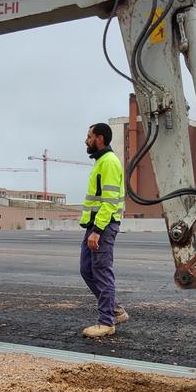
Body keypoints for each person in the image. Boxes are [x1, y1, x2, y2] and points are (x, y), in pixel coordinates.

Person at [79, 122, 128, 337]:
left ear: (100, 138)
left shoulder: (109, 162)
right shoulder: (101, 162)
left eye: (89, 137)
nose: (86, 140)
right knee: (87, 269)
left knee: (101, 272)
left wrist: (98, 230)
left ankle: (106, 322)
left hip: (103, 226)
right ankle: (114, 310)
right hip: (95, 225)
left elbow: (108, 202)